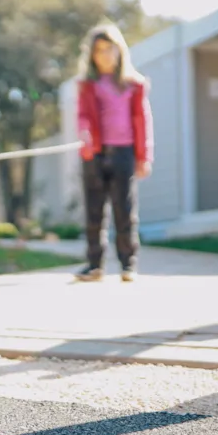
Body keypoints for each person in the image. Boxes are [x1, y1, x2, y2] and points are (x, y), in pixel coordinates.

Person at [73, 22, 154, 282]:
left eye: (110, 49)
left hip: (123, 153)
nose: (105, 55)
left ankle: (128, 264)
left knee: (124, 209)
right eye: (99, 50)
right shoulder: (87, 85)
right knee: (94, 211)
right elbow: (83, 116)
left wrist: (144, 156)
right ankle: (94, 264)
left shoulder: (134, 85)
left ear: (119, 51)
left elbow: (143, 121)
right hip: (94, 153)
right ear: (92, 55)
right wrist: (84, 135)